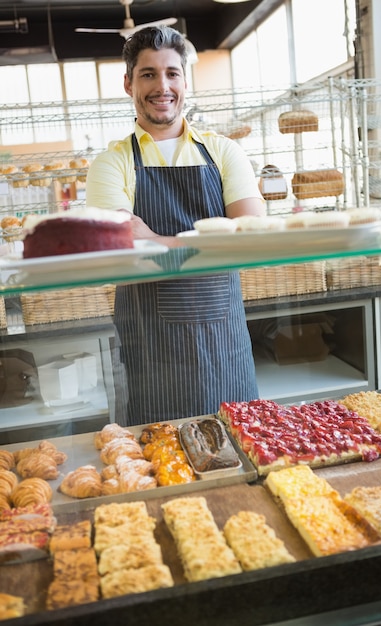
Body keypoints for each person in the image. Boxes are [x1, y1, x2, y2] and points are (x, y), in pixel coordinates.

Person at [86, 25, 265, 425]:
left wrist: (156, 239)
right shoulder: (110, 163)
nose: (161, 86)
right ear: (128, 83)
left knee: (244, 452)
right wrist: (215, 240)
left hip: (226, 349)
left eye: (172, 73)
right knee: (160, 465)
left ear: (185, 81)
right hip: (153, 357)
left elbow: (250, 237)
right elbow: (123, 248)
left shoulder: (223, 151)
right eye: (148, 74)